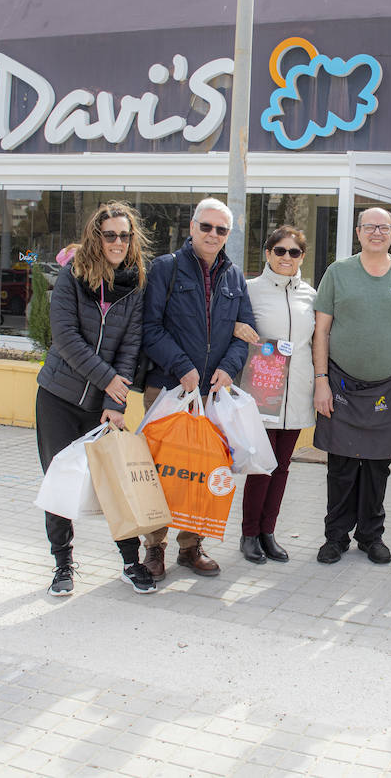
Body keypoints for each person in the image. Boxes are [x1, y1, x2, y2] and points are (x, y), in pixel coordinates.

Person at [35, 201, 154, 597]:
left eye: (125, 235)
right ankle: (62, 564)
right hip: (59, 395)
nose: (118, 242)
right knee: (59, 479)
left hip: (103, 405)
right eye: (110, 235)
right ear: (95, 237)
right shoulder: (72, 277)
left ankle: (131, 562)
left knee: (116, 481)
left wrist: (115, 402)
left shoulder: (135, 284)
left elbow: (130, 344)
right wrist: (108, 380)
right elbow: (65, 338)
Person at [140, 197, 256, 581]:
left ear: (228, 234)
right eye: (206, 226)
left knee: (205, 472)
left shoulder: (235, 275)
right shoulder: (166, 269)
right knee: (163, 472)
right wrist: (182, 366)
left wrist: (229, 367)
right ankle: (153, 549)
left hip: (212, 396)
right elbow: (149, 328)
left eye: (221, 229)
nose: (213, 234)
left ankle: (190, 547)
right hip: (169, 390)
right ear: (192, 227)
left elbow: (245, 332)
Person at [312, 207, 391, 565]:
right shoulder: (338, 273)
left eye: (384, 227)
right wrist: (320, 382)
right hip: (341, 385)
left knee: (378, 468)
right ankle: (336, 537)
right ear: (358, 232)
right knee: (341, 467)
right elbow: (321, 332)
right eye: (370, 227)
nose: (377, 232)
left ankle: (370, 536)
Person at [238, 225, 317, 564]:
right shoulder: (248, 290)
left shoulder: (310, 296)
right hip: (261, 390)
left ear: (302, 256)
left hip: (296, 390)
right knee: (260, 466)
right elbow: (233, 326)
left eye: (294, 252)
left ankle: (269, 531)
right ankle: (249, 533)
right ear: (268, 253)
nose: (287, 258)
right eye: (280, 251)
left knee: (282, 466)